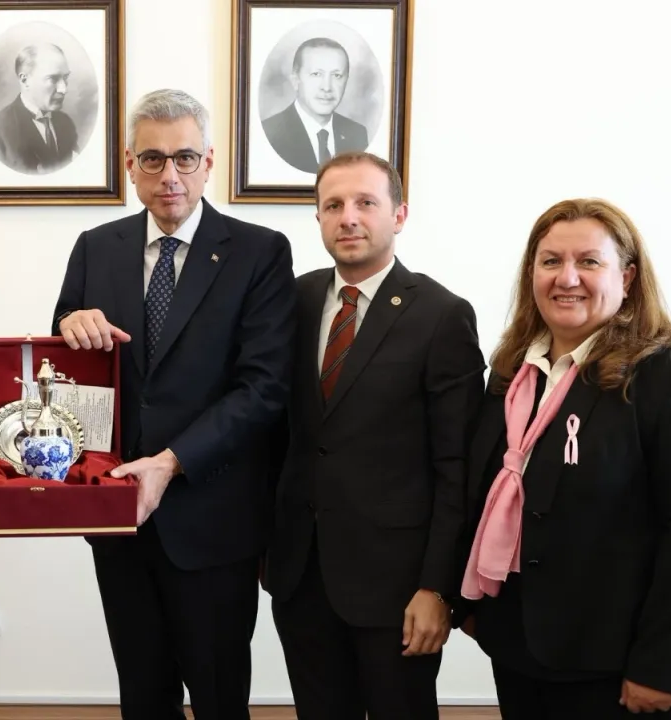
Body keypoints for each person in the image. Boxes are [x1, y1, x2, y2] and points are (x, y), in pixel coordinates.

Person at [50, 88, 296, 720]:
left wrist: (171, 461)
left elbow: (264, 387)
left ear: (209, 162)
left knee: (219, 700)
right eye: (153, 159)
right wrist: (69, 326)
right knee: (142, 696)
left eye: (185, 158)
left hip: (213, 518)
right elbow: (65, 371)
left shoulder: (260, 251)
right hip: (119, 519)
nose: (170, 176)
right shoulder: (95, 247)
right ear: (129, 164)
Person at [456, 198, 671, 718]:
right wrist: (476, 605)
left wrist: (665, 664)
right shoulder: (514, 372)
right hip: (519, 644)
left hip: (615, 662)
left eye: (589, 261)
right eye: (550, 261)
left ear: (627, 277)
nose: (567, 278)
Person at [261, 150, 485, 720]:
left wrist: (438, 588)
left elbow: (457, 468)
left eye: (365, 202)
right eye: (333, 205)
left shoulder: (442, 315)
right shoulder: (292, 301)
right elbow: (275, 434)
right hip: (302, 576)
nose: (349, 217)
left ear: (399, 215)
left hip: (398, 588)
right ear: (318, 217)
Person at [262, 37, 371, 174]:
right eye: (316, 74)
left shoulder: (357, 134)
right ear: (295, 80)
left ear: (346, 81)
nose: (327, 87)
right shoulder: (271, 133)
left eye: (337, 75)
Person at [0, 43, 79, 174]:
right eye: (53, 79)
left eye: (65, 77)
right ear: (25, 80)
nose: (63, 89)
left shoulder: (66, 123)